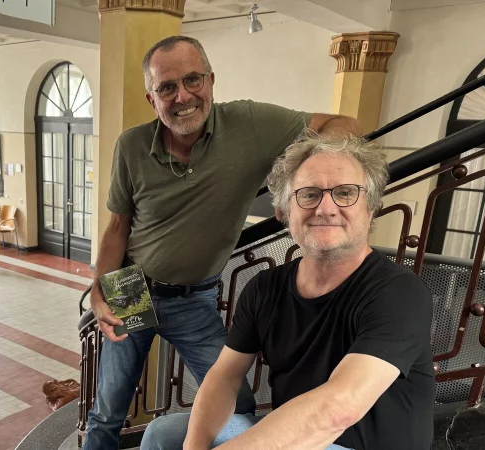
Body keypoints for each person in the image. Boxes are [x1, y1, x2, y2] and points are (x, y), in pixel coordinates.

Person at [83, 35, 362, 450]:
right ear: (152, 99)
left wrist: (296, 181)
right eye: (167, 87)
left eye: (193, 80)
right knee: (108, 410)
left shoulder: (249, 124)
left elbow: (345, 125)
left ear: (211, 80)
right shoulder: (131, 145)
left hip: (193, 299)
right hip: (130, 287)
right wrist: (98, 289)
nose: (182, 96)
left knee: (238, 405)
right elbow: (117, 227)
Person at [140, 133, 435, 450]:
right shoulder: (265, 287)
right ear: (283, 211)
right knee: (163, 434)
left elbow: (337, 409)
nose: (326, 208)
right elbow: (224, 377)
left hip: (362, 444)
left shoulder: (399, 292)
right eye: (309, 195)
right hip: (298, 432)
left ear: (371, 208)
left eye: (345, 193)